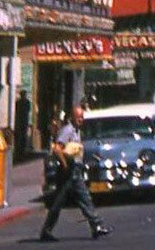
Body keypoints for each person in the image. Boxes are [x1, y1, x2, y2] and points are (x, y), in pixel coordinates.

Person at [38, 103, 110, 242]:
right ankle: (46, 232)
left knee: (85, 199)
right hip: (68, 172)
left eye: (82, 117)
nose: (81, 120)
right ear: (72, 117)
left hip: (75, 171)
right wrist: (65, 165)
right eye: (78, 117)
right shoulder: (68, 131)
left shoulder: (77, 131)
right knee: (58, 203)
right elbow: (57, 149)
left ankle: (96, 227)